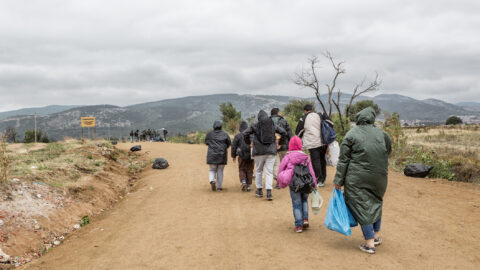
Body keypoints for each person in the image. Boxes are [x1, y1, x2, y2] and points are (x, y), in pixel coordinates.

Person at [332, 107, 391, 254]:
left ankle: (369, 243)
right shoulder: (382, 134)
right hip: (380, 176)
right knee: (376, 202)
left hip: (357, 178)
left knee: (361, 205)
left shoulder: (351, 134)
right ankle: (376, 236)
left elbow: (343, 160)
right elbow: (387, 152)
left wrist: (338, 180)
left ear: (358, 119)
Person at [242, 110, 286, 201]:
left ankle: (259, 191)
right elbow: (284, 132)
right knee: (269, 172)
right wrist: (280, 143)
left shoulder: (255, 125)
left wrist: (249, 142)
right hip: (271, 151)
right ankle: (269, 193)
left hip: (258, 152)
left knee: (259, 171)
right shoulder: (273, 125)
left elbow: (245, 133)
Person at [277, 136, 317, 233]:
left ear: (290, 145)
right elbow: (311, 171)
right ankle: (305, 220)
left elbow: (281, 168)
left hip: (294, 184)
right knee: (304, 201)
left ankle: (299, 226)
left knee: (296, 204)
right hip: (306, 183)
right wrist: (314, 184)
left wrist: (280, 180)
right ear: (300, 145)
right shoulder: (305, 157)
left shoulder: (288, 157)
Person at [295, 104, 327, 187]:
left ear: (305, 111)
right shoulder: (319, 115)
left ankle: (319, 180)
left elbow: (298, 131)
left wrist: (298, 140)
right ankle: (323, 178)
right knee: (322, 160)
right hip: (323, 141)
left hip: (313, 143)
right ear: (312, 109)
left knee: (315, 161)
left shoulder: (304, 118)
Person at [204, 120, 231, 191]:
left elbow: (206, 143)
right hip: (222, 155)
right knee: (220, 170)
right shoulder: (225, 134)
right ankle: (219, 187)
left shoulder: (209, 134)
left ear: (214, 127)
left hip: (212, 155)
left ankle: (212, 180)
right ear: (221, 127)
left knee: (212, 170)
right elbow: (229, 143)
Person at [270, 108, 292, 189]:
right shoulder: (284, 121)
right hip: (284, 146)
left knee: (276, 165)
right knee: (285, 164)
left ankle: (278, 182)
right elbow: (289, 133)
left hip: (272, 147)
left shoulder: (268, 122)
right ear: (278, 113)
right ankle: (285, 180)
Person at [231, 121, 254, 192]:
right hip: (251, 155)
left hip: (241, 155)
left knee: (242, 168)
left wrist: (233, 156)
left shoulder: (237, 136)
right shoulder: (252, 135)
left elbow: (233, 147)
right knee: (250, 170)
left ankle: (243, 181)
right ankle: (249, 186)